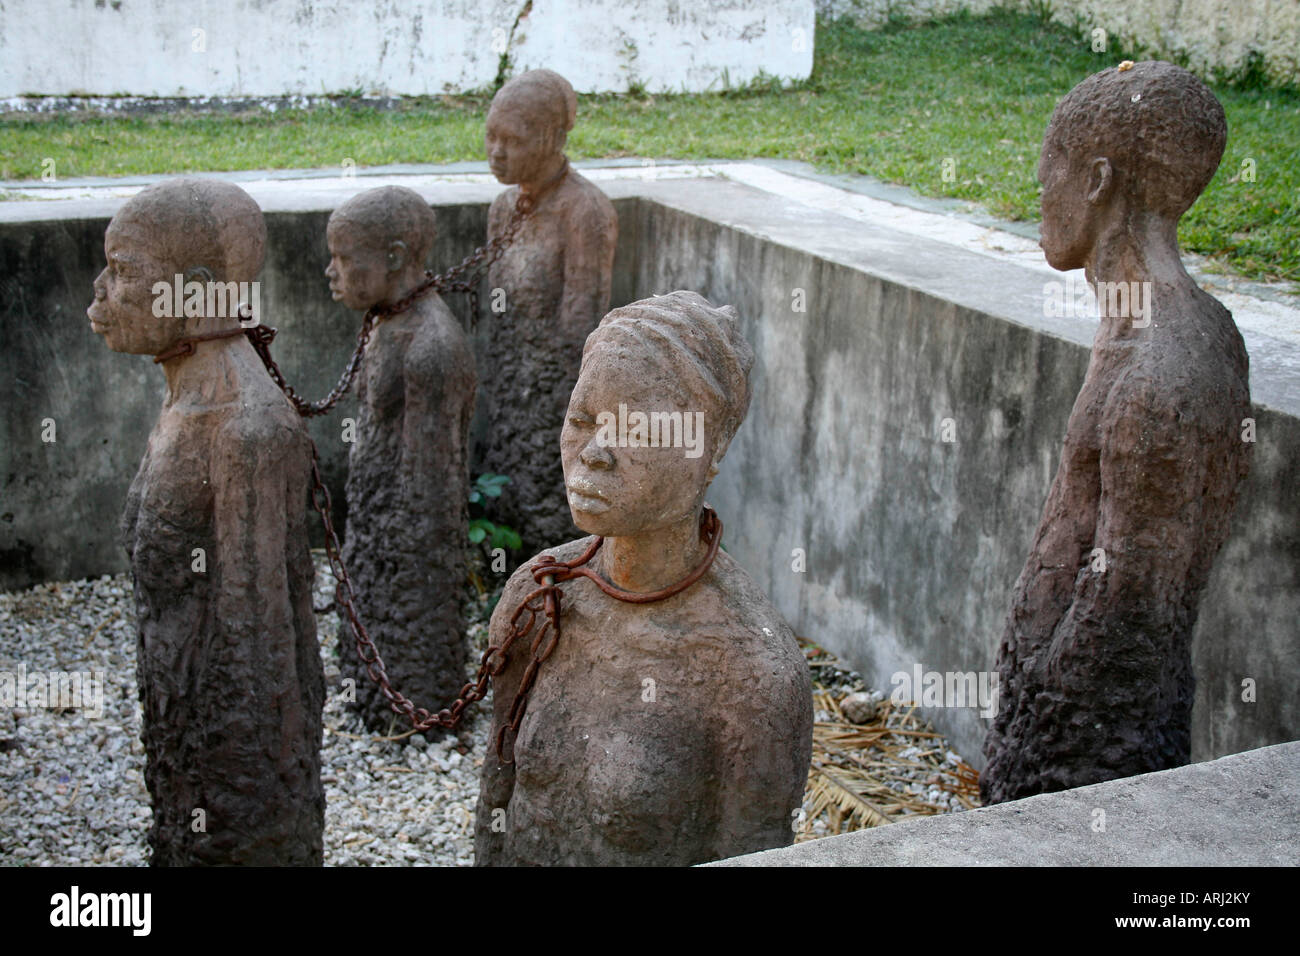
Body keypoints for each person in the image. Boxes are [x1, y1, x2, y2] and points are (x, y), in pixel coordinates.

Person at [981, 62, 1252, 804]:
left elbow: (1126, 609)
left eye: (1049, 175)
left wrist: (1036, 724)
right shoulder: (1200, 332)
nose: (1040, 196)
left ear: (1097, 180)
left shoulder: (1155, 376)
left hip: (1084, 758)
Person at [475, 291, 813, 866]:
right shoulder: (538, 597)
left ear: (713, 448)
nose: (595, 453)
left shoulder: (753, 678)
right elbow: (498, 797)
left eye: (638, 431)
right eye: (583, 420)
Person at [88, 178, 324, 864]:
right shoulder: (191, 393)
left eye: (124, 270)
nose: (102, 288)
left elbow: (261, 659)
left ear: (192, 291)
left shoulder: (244, 428)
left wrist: (236, 818)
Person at [324, 186, 477, 735]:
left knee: (401, 633)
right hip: (373, 528)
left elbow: (431, 485)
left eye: (343, 258)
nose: (331, 271)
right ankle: (372, 699)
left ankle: (414, 709)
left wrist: (399, 551)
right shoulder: (387, 324)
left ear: (392, 256)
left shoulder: (432, 347)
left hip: (405, 545)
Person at [479, 69, 618, 560]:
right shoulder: (503, 207)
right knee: (502, 486)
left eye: (512, 139)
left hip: (550, 397)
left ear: (552, 138)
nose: (496, 151)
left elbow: (578, 327)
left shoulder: (585, 212)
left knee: (543, 501)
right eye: (491, 136)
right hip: (507, 385)